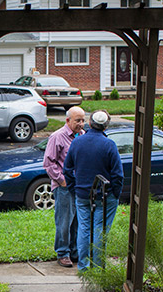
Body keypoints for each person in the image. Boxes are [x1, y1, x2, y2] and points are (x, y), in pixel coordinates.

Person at [63, 110, 123, 271]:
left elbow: (67, 169)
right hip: (104, 195)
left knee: (84, 228)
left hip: (82, 194)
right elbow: (118, 174)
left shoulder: (77, 142)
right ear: (106, 125)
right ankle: (97, 267)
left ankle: (83, 265)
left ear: (90, 122)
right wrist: (115, 193)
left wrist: (73, 188)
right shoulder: (109, 144)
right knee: (100, 229)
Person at [44, 106, 86, 267]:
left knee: (77, 220)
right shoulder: (58, 137)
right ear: (67, 120)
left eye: (83, 120)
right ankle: (63, 252)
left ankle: (74, 251)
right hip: (63, 187)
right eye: (77, 120)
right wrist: (62, 181)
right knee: (64, 221)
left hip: (79, 186)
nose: (81, 124)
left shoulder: (82, 136)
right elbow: (48, 163)